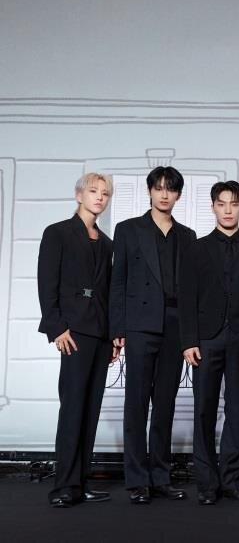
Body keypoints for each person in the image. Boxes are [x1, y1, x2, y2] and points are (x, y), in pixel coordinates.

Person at [179, 181, 239, 505]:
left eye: (234, 204)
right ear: (213, 207)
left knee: (237, 410)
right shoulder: (196, 248)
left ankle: (231, 480)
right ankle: (207, 483)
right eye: (222, 203)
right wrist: (189, 340)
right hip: (206, 340)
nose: (228, 210)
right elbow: (186, 296)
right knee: (203, 411)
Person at [110, 166, 197, 504]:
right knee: (136, 404)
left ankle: (160, 477)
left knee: (165, 404)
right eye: (158, 187)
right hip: (139, 325)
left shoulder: (187, 236)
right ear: (149, 191)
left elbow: (190, 291)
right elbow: (118, 281)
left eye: (170, 189)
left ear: (178, 195)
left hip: (174, 326)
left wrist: (190, 336)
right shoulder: (128, 229)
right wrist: (117, 328)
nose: (164, 194)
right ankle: (137, 480)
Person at [37, 173, 117, 507]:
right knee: (72, 408)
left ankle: (81, 483)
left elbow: (109, 293)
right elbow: (47, 282)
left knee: (90, 410)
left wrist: (113, 335)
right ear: (78, 194)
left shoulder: (108, 243)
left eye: (105, 193)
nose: (100, 197)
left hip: (100, 333)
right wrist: (56, 327)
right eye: (93, 191)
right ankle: (64, 486)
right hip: (73, 332)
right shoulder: (57, 233)